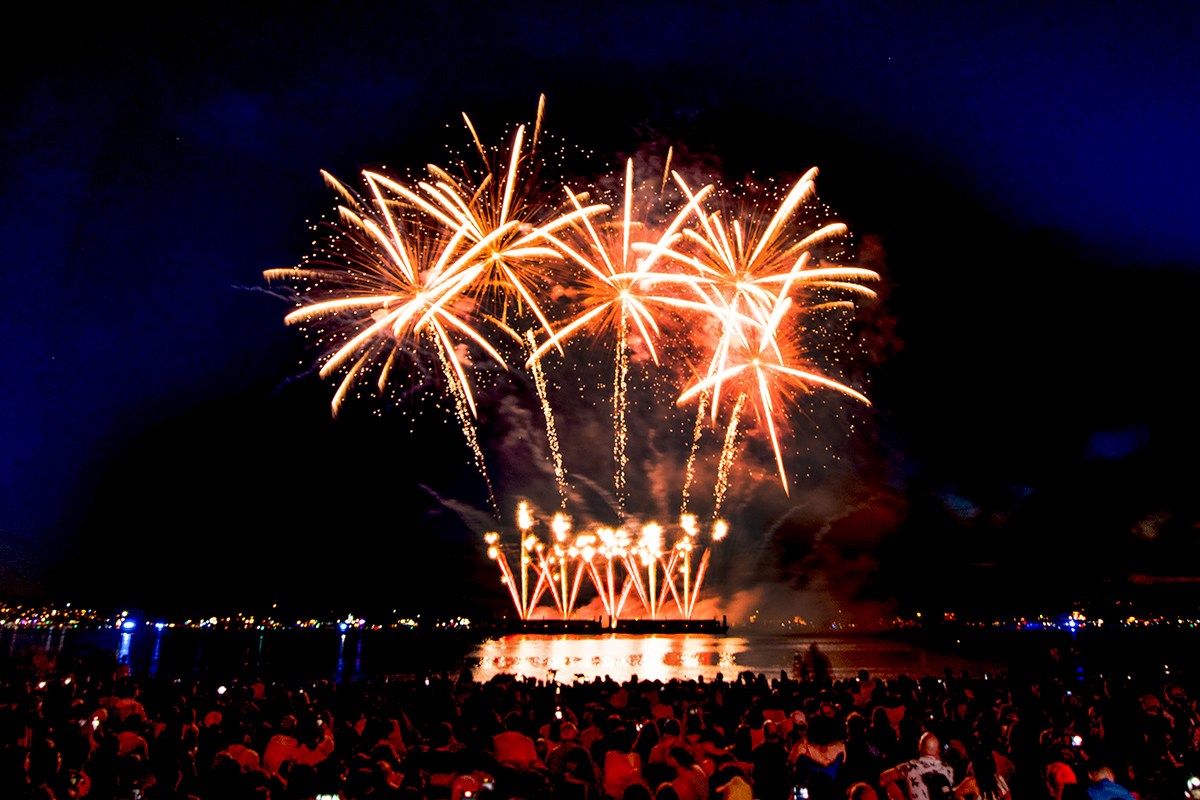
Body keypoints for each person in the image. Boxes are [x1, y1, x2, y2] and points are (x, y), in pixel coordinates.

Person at [878, 732, 955, 800]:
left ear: (919, 747)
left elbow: (884, 778)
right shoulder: (948, 770)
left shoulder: (909, 767)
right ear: (937, 750)